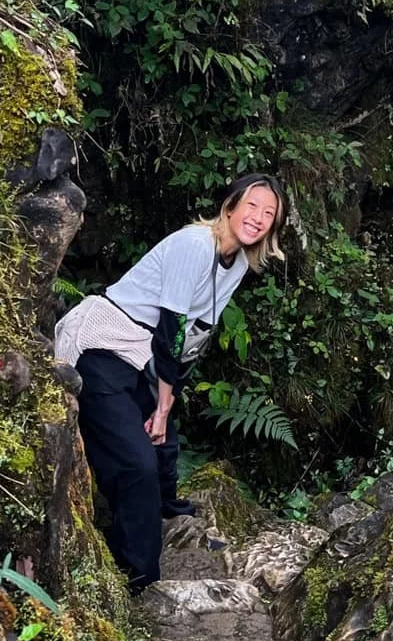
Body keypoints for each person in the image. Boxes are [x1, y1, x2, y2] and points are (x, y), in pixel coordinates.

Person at [54, 174, 287, 591]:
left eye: (269, 214)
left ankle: (163, 510)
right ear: (230, 206)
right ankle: (138, 575)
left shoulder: (236, 262)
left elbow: (192, 341)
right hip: (104, 344)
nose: (258, 218)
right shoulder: (194, 246)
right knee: (137, 463)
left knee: (166, 444)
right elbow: (171, 334)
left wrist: (165, 406)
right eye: (252, 206)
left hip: (140, 355)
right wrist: (161, 407)